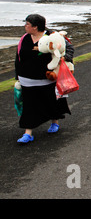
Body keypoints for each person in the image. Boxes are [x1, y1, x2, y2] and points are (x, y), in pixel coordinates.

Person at [15, 14, 71, 144]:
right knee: (29, 105)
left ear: (35, 27)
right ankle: (28, 133)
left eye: (27, 24)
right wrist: (17, 76)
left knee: (50, 101)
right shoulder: (24, 38)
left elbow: (68, 49)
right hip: (26, 78)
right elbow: (18, 57)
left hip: (47, 78)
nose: (25, 26)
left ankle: (54, 122)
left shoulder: (52, 36)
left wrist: (64, 58)